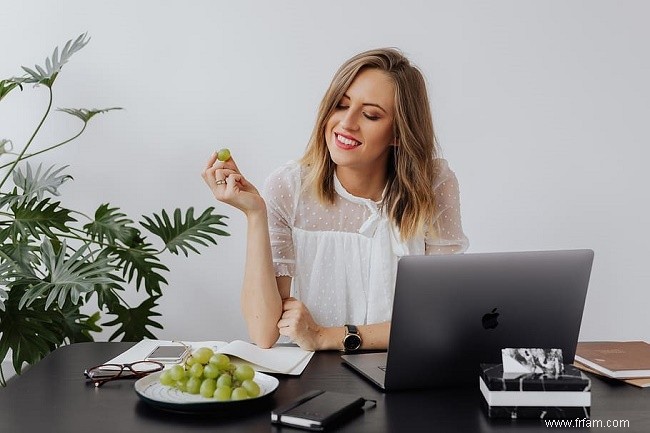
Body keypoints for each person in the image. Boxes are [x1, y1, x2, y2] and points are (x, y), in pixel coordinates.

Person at [202, 48, 468, 351]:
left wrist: (326, 336)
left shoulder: (433, 184)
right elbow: (263, 333)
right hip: (320, 378)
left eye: (370, 115)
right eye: (340, 106)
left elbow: (439, 320)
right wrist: (254, 215)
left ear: (398, 133)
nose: (347, 123)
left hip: (410, 368)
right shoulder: (289, 187)